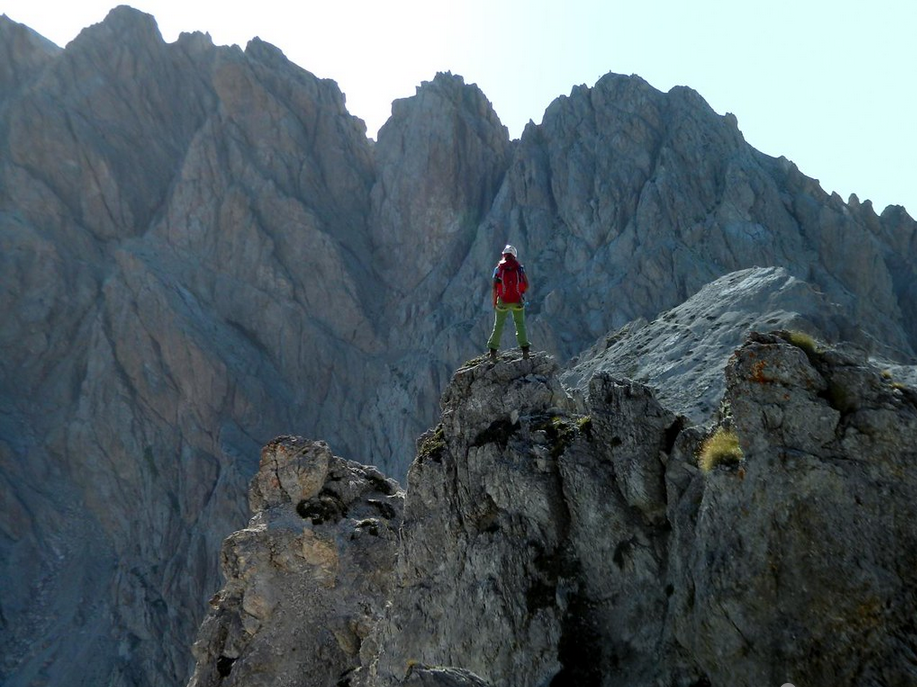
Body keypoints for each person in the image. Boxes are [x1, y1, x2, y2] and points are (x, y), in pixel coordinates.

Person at [487, 244, 530, 360]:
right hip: (517, 300)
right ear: (514, 255)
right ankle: (525, 350)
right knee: (520, 324)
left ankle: (493, 351)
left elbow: (494, 288)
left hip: (502, 301)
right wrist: (519, 292)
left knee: (498, 325)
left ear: (504, 255)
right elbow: (527, 285)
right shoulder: (519, 268)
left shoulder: (498, 269)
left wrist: (494, 302)